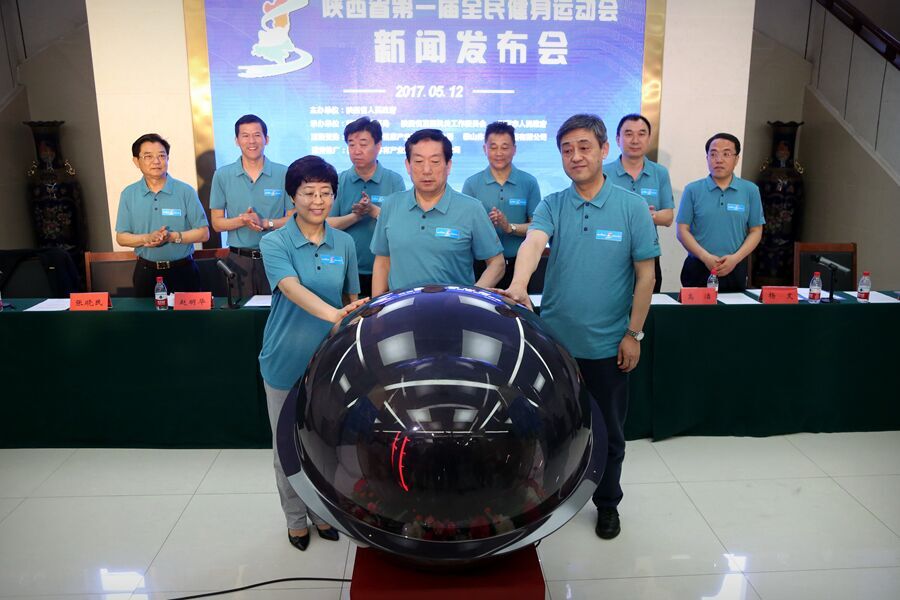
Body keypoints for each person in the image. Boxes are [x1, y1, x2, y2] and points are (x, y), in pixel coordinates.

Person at [500, 114, 658, 540]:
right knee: (548, 430)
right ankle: (547, 498)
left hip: (607, 346)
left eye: (584, 147)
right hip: (555, 348)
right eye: (567, 150)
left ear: (604, 150)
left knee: (610, 434)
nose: (575, 156)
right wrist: (518, 284)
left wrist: (634, 334)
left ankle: (607, 504)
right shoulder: (553, 204)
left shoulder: (631, 207)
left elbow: (646, 276)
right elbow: (534, 242)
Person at [258, 155, 367, 551]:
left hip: (329, 362)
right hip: (285, 357)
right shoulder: (275, 242)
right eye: (308, 192)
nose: (317, 201)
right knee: (286, 446)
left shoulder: (345, 243)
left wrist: (348, 320)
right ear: (293, 196)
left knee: (325, 444)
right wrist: (333, 314)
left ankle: (323, 513)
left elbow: (352, 299)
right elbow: (290, 287)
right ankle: (295, 518)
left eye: (325, 192)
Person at [370, 129, 504, 295]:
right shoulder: (391, 205)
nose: (426, 170)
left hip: (454, 308)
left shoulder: (471, 208)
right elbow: (382, 262)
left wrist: (473, 296)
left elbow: (497, 263)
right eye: (419, 161)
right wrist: (376, 307)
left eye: (435, 161)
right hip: (401, 308)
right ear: (408, 166)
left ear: (448, 166)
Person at [115, 133, 209, 296]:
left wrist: (172, 237)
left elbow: (204, 233)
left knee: (191, 313)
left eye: (161, 156)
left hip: (183, 271)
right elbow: (121, 237)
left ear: (167, 158)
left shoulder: (185, 191)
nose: (156, 161)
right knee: (145, 314)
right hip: (146, 272)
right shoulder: (128, 194)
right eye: (148, 156)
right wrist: (147, 238)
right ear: (136, 161)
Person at [210, 114, 291, 297]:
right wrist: (243, 220)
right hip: (238, 261)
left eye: (257, 135)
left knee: (276, 310)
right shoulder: (222, 175)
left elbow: (294, 219)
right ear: (237, 141)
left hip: (276, 257)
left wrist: (265, 223)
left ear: (266, 139)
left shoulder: (284, 173)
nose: (251, 141)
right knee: (241, 312)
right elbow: (217, 223)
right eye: (245, 136)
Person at [327, 117, 406, 297]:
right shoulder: (339, 180)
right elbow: (326, 224)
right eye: (351, 145)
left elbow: (401, 225)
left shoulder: (394, 180)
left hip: (387, 268)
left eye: (363, 144)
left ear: (378, 146)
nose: (356, 151)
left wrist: (373, 210)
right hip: (345, 269)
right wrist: (355, 216)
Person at [676, 133, 764, 292]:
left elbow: (756, 231)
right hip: (698, 266)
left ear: (736, 159)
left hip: (734, 266)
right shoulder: (692, 190)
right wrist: (705, 257)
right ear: (707, 158)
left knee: (733, 308)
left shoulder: (750, 190)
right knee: (694, 309)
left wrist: (735, 258)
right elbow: (682, 230)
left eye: (726, 154)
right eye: (713, 154)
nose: (719, 159)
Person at [462, 121, 542, 289]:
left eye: (505, 147)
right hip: (482, 266)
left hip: (519, 266)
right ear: (485, 149)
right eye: (493, 147)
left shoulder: (529, 182)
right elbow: (463, 229)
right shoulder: (472, 184)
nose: (499, 153)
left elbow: (537, 228)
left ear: (514, 149)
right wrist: (482, 225)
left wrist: (509, 227)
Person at [604, 114, 673, 292]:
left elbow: (668, 217)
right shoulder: (603, 173)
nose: (635, 140)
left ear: (649, 139)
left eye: (641, 134)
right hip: (610, 252)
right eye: (628, 134)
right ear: (618, 139)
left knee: (648, 304)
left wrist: (649, 215)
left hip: (647, 252)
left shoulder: (660, 173)